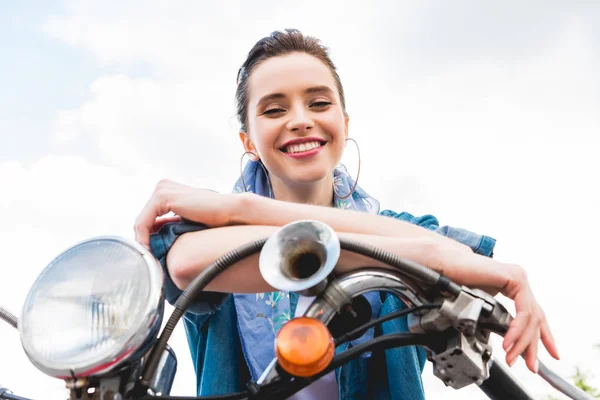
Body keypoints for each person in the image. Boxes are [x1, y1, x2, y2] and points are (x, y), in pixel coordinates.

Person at [134, 29, 559, 399]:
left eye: (319, 103)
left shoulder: (404, 228)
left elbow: (460, 259)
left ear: (345, 122)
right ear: (247, 139)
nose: (300, 120)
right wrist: (418, 255)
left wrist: (241, 207)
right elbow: (189, 264)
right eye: (274, 109)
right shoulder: (207, 229)